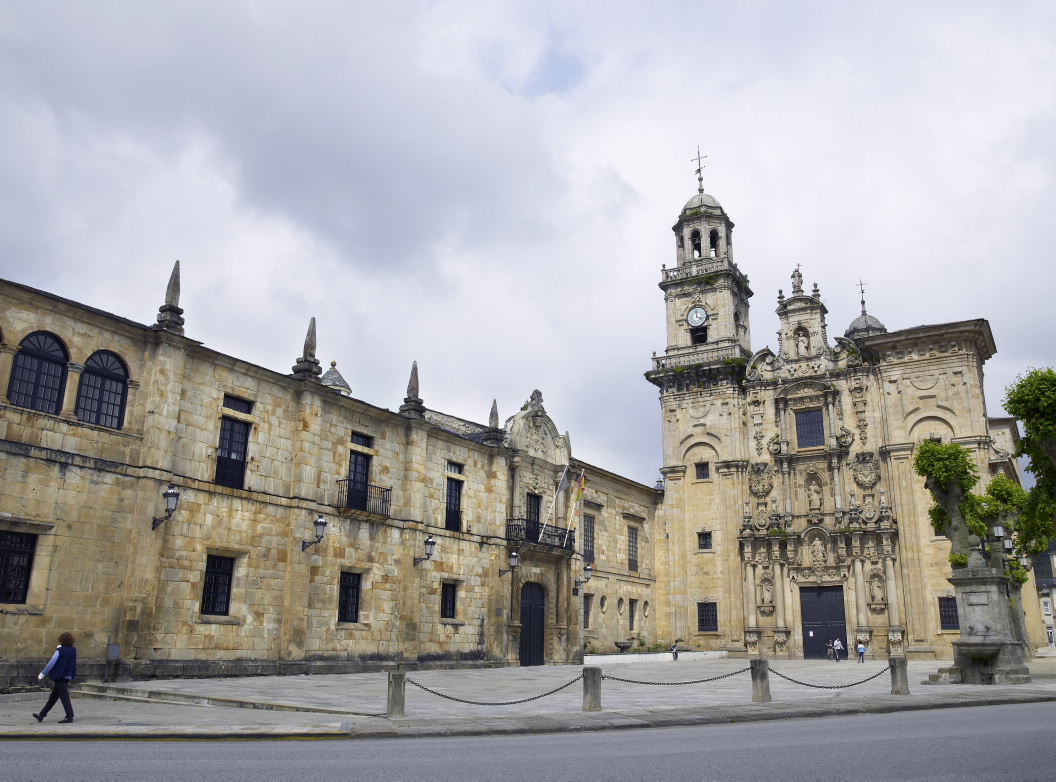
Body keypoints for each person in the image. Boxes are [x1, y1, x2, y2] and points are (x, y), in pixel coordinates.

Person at [33, 632, 77, 724]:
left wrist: (42, 674)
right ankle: (41, 715)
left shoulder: (60, 651)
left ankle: (69, 716)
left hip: (60, 676)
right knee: (53, 697)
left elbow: (51, 663)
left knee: (64, 697)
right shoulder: (73, 650)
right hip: (68, 675)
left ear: (61, 641)